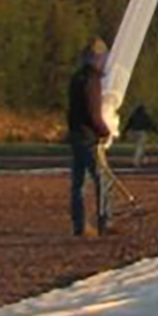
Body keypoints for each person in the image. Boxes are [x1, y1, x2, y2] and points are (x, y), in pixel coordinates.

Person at [67, 39, 114, 237]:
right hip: (88, 137)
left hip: (76, 135)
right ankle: (105, 221)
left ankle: (80, 224)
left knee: (78, 183)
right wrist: (105, 131)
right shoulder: (92, 81)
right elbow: (93, 113)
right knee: (102, 179)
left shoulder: (76, 78)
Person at [123, 103, 158, 168]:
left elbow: (128, 124)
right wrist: (156, 131)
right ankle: (136, 162)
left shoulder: (133, 115)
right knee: (140, 147)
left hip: (133, 132)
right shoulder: (145, 116)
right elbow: (151, 124)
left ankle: (142, 160)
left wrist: (124, 133)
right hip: (141, 132)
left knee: (140, 147)